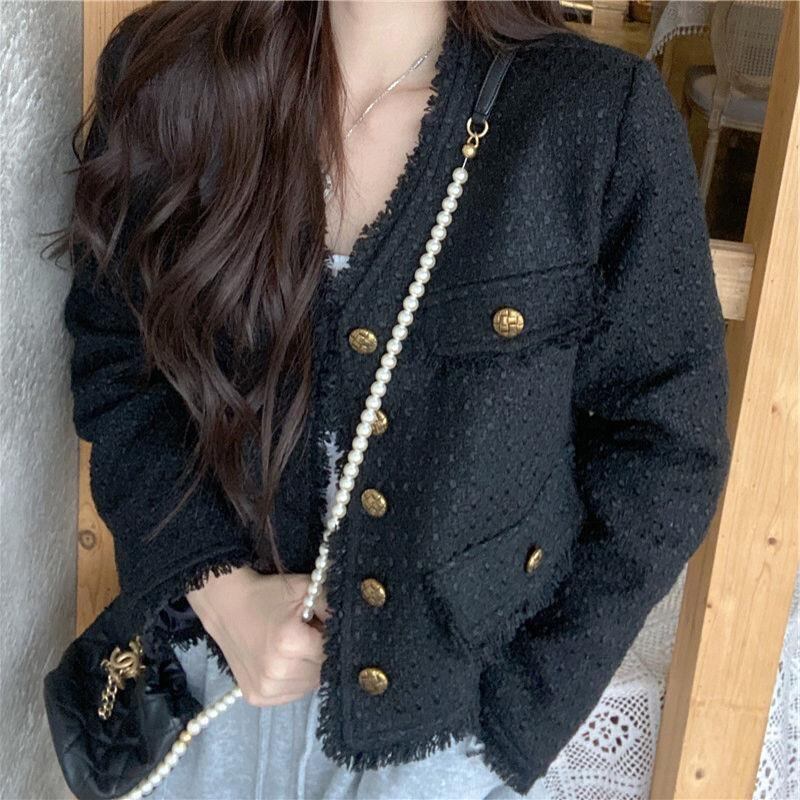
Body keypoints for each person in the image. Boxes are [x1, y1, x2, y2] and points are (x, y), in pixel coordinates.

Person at [52, 1, 731, 798]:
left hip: (449, 739)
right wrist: (221, 593)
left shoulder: (593, 115)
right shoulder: (169, 73)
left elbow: (667, 447)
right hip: (207, 697)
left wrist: (517, 722)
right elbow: (120, 362)